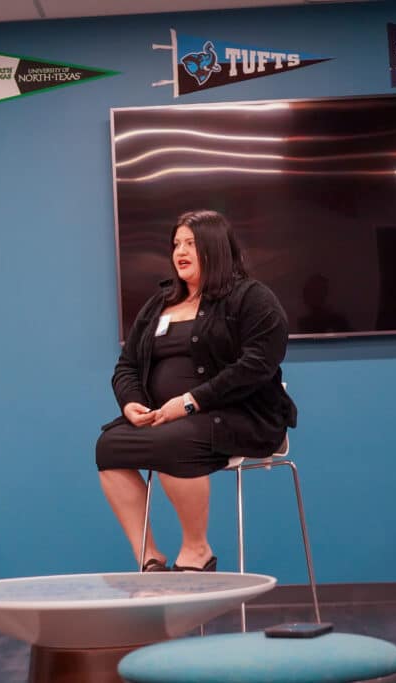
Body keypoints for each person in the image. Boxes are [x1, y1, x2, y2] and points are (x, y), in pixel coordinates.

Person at [96, 210, 297, 572]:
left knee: (175, 441)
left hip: (240, 415)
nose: (180, 251)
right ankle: (149, 558)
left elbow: (257, 365)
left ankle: (197, 550)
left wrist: (191, 402)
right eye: (176, 244)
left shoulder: (251, 298)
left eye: (190, 243)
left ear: (215, 248)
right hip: (166, 418)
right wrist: (131, 403)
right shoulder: (159, 304)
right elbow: (126, 366)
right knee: (109, 447)